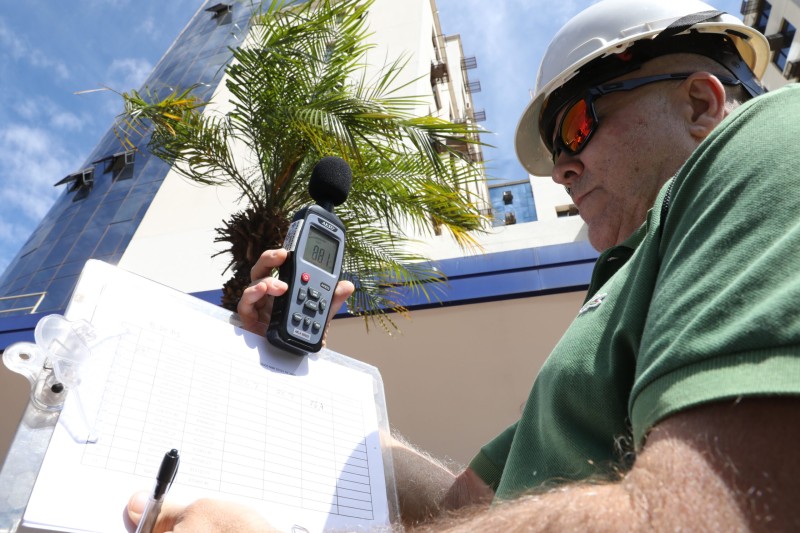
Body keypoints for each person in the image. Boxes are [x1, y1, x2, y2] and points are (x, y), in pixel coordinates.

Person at [127, 0, 800, 530]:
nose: (563, 168)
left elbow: (715, 514)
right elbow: (465, 504)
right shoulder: (621, 290)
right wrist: (299, 374)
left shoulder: (770, 138)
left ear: (700, 103)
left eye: (574, 127)